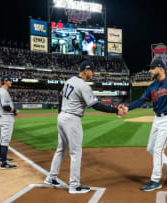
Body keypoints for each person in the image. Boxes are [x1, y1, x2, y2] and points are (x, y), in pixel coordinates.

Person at [44, 60, 125, 194]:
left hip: (62, 116)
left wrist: (61, 113)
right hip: (72, 119)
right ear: (85, 70)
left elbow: (60, 97)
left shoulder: (69, 80)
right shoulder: (83, 85)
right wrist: (115, 110)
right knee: (76, 153)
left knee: (61, 149)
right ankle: (74, 185)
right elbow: (95, 105)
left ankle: (51, 177)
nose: (93, 73)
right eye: (92, 70)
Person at [122, 58, 167, 192]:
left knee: (158, 150)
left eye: (152, 68)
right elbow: (140, 100)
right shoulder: (152, 86)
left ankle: (155, 180)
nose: (150, 70)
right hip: (157, 119)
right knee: (150, 148)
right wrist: (128, 108)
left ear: (161, 68)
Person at [0, 76, 18, 169]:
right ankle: (4, 163)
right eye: (10, 80)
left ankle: (1, 158)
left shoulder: (1, 91)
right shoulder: (3, 92)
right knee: (5, 140)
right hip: (6, 118)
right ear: (5, 81)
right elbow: (5, 106)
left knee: (2, 139)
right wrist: (14, 111)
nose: (11, 82)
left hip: (2, 117)